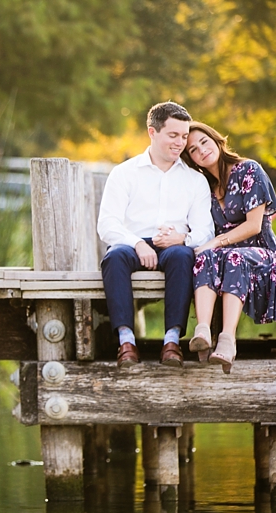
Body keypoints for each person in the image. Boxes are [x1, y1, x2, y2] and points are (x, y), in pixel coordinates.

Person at [97, 102, 215, 367]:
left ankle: (171, 342)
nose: (180, 143)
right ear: (152, 132)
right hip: (132, 245)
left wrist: (181, 238)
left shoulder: (195, 180)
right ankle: (126, 342)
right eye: (173, 135)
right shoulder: (124, 173)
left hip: (174, 246)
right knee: (114, 257)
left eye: (184, 136)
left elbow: (205, 230)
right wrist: (138, 243)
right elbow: (107, 224)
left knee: (183, 256)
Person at [181, 122, 276, 373]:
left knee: (230, 256)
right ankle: (202, 331)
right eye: (193, 150)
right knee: (204, 257)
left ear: (216, 140)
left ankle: (227, 339)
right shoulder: (205, 188)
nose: (201, 150)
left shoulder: (249, 170)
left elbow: (254, 226)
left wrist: (216, 242)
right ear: (191, 159)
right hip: (224, 257)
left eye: (204, 142)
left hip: (261, 252)